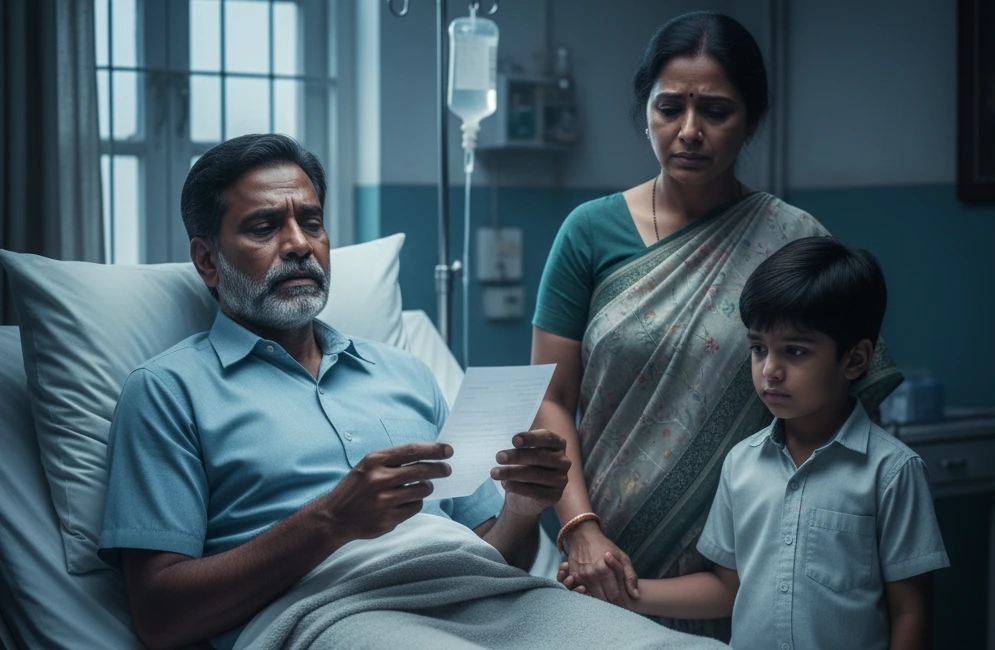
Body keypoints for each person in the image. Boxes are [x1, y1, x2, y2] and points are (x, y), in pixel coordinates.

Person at [98, 134, 723, 650]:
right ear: (207, 262)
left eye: (310, 222)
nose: (298, 245)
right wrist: (331, 521)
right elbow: (159, 617)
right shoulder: (167, 393)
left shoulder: (403, 374)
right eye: (264, 226)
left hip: (494, 599)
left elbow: (498, 554)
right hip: (335, 617)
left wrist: (524, 507)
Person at [530, 11, 902, 639]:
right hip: (597, 558)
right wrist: (581, 530)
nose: (690, 132)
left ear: (751, 119)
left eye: (717, 111)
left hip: (747, 561)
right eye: (669, 108)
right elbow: (550, 396)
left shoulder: (792, 240)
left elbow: (849, 411)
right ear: (644, 111)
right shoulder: (589, 233)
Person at [560, 236, 949, 650]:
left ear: (854, 360)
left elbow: (911, 610)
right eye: (758, 349)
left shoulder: (891, 473)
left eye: (795, 352)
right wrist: (621, 592)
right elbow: (728, 589)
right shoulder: (741, 464)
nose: (770, 371)